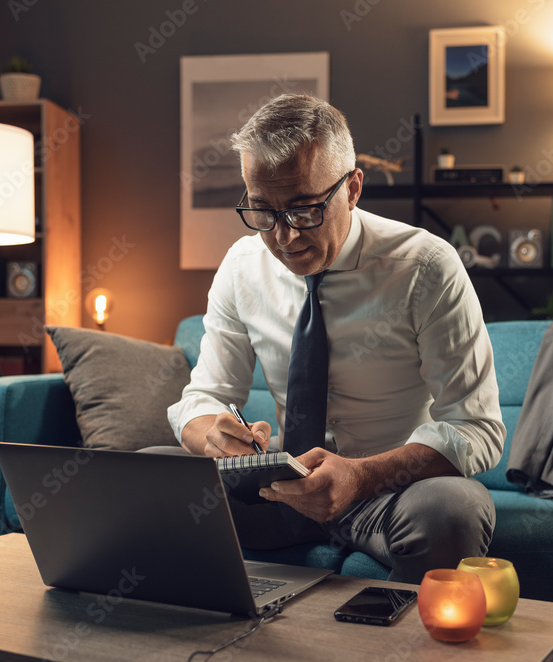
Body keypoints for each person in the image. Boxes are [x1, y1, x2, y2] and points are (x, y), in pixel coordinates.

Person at [167, 94, 504, 584]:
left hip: (389, 495)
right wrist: (214, 435)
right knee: (148, 475)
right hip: (279, 491)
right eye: (263, 212)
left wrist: (360, 475)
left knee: (452, 510)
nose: (284, 237)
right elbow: (204, 397)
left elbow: (477, 428)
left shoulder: (426, 268)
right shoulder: (242, 267)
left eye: (304, 210)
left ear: (352, 188)